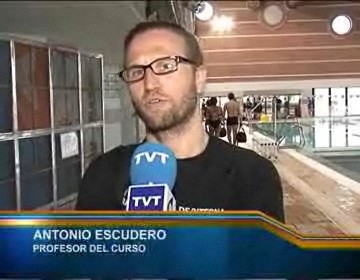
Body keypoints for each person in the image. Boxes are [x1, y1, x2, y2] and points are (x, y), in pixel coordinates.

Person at [76, 21, 285, 223]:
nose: (149, 84)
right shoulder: (103, 175)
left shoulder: (253, 176)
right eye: (137, 72)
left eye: (166, 65)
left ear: (198, 78)